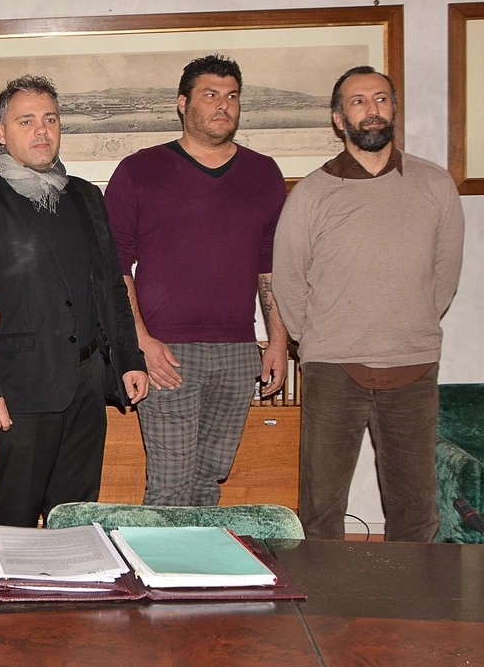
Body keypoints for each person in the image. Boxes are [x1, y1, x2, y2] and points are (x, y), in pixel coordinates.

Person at [272, 66, 464, 542]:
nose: (371, 109)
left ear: (393, 109)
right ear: (339, 119)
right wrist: (319, 339)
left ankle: (411, 609)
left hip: (413, 365)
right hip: (333, 366)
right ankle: (325, 610)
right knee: (320, 510)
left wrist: (408, 324)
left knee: (417, 511)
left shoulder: (435, 185)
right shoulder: (312, 193)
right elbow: (289, 280)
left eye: (380, 99)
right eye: (357, 101)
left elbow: (445, 276)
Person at [0, 75, 148, 527]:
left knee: (76, 518)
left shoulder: (86, 196)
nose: (41, 131)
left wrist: (130, 359)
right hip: (18, 394)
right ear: (1, 132)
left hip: (86, 385)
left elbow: (111, 287)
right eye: (26, 121)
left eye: (50, 119)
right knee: (15, 521)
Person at [105, 55, 288, 506]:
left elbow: (271, 266)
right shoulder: (139, 170)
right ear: (183, 104)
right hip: (169, 353)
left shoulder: (264, 173)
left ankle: (197, 577)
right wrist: (142, 342)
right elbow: (113, 267)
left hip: (239, 353)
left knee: (209, 482)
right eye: (210, 95)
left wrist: (278, 342)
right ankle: (156, 576)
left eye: (231, 96)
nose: (222, 106)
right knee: (170, 486)